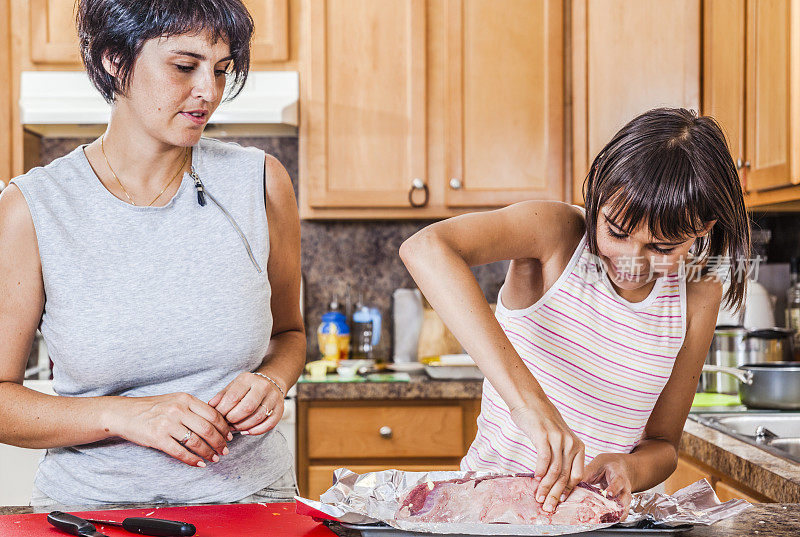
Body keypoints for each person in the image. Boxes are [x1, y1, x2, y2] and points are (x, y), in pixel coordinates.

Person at [0, 0, 305, 506]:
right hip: (95, 513)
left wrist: (271, 380)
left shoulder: (261, 182)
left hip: (254, 503)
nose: (209, 91)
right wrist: (121, 414)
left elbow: (289, 334)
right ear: (113, 60)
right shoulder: (32, 209)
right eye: (185, 66)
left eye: (222, 70)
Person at [400, 108, 750, 517]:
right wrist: (530, 406)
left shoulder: (698, 294)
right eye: (616, 231)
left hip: (592, 523)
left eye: (661, 248)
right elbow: (425, 249)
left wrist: (628, 468)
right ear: (598, 190)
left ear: (702, 229)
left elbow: (664, 445)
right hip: (484, 516)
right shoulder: (556, 234)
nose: (631, 260)